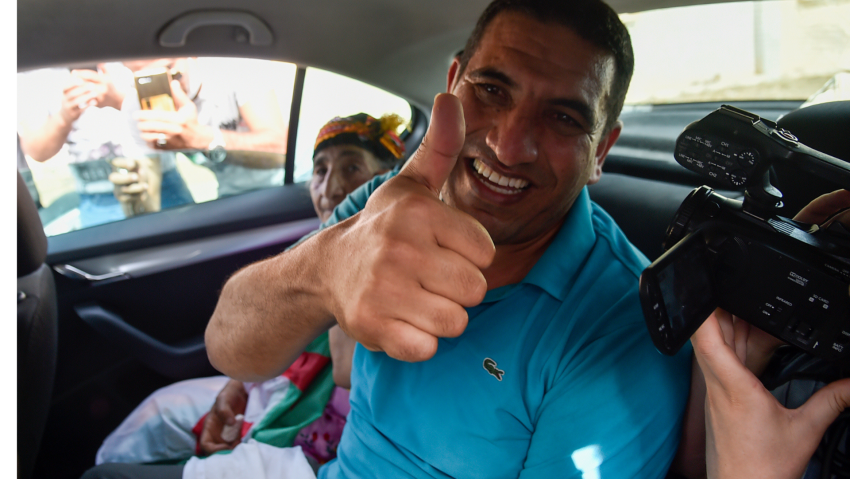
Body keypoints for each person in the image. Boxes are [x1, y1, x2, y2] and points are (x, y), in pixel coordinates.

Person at [206, 1, 694, 478]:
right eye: (491, 90)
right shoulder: (390, 202)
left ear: (600, 151)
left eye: (563, 118)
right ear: (452, 83)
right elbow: (229, 347)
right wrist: (325, 269)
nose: (509, 147)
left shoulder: (620, 324)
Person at [82, 113, 407, 479]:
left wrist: (340, 267)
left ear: (385, 178)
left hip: (329, 414)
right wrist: (237, 385)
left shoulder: (394, 257)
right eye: (320, 170)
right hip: (280, 380)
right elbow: (266, 327)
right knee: (155, 415)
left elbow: (346, 372)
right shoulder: (311, 243)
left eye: (352, 168)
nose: (331, 187)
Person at [113, 57, 289, 213]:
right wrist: (135, 195)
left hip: (290, 181)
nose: (163, 86)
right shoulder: (138, 109)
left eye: (169, 69)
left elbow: (281, 148)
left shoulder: (234, 65)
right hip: (231, 194)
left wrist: (201, 139)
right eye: (145, 81)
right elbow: (148, 197)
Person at [16, 64, 146, 228]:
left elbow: (168, 112)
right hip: (95, 198)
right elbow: (37, 151)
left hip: (156, 181)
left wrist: (119, 100)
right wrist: (64, 117)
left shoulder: (129, 56)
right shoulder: (35, 72)